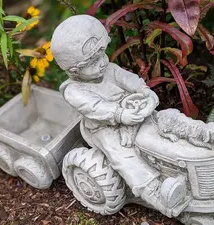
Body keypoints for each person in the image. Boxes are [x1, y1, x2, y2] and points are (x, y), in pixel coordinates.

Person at [51, 15, 184, 217]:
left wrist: (145, 91)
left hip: (132, 113)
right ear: (74, 71)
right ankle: (154, 192)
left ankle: (187, 151)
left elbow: (130, 80)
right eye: (93, 62)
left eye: (103, 54)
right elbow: (94, 107)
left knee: (165, 121)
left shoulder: (109, 70)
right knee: (123, 155)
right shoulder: (73, 90)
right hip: (103, 129)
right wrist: (120, 114)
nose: (102, 63)